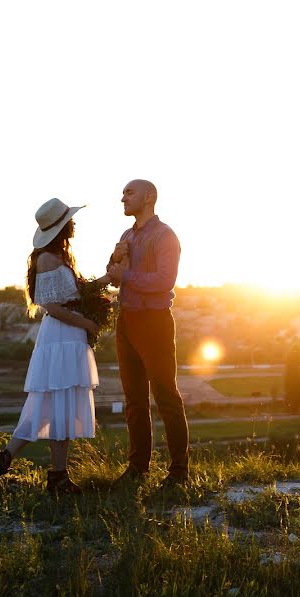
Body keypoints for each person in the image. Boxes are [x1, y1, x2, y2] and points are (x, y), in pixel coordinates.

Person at [0, 198, 110, 495]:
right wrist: (88, 325)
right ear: (61, 227)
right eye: (69, 220)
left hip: (66, 337)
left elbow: (74, 296)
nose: (73, 224)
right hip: (62, 336)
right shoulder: (49, 259)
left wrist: (107, 279)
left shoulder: (58, 256)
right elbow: (52, 306)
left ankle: (4, 462)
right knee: (57, 406)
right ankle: (57, 479)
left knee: (49, 407)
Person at [107, 179, 189, 488]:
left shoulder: (164, 235)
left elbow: (164, 280)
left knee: (166, 395)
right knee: (134, 400)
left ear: (149, 197)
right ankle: (137, 469)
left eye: (129, 192)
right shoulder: (127, 235)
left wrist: (124, 273)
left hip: (154, 322)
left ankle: (179, 472)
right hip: (126, 320)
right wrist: (116, 258)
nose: (122, 198)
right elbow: (115, 277)